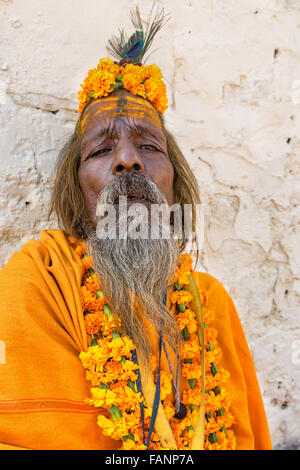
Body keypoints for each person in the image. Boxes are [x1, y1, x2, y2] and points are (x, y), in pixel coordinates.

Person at [0, 7, 272, 450]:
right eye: (101, 150)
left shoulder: (212, 305)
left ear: (173, 182)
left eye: (149, 145)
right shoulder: (35, 286)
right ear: (77, 190)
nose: (129, 160)